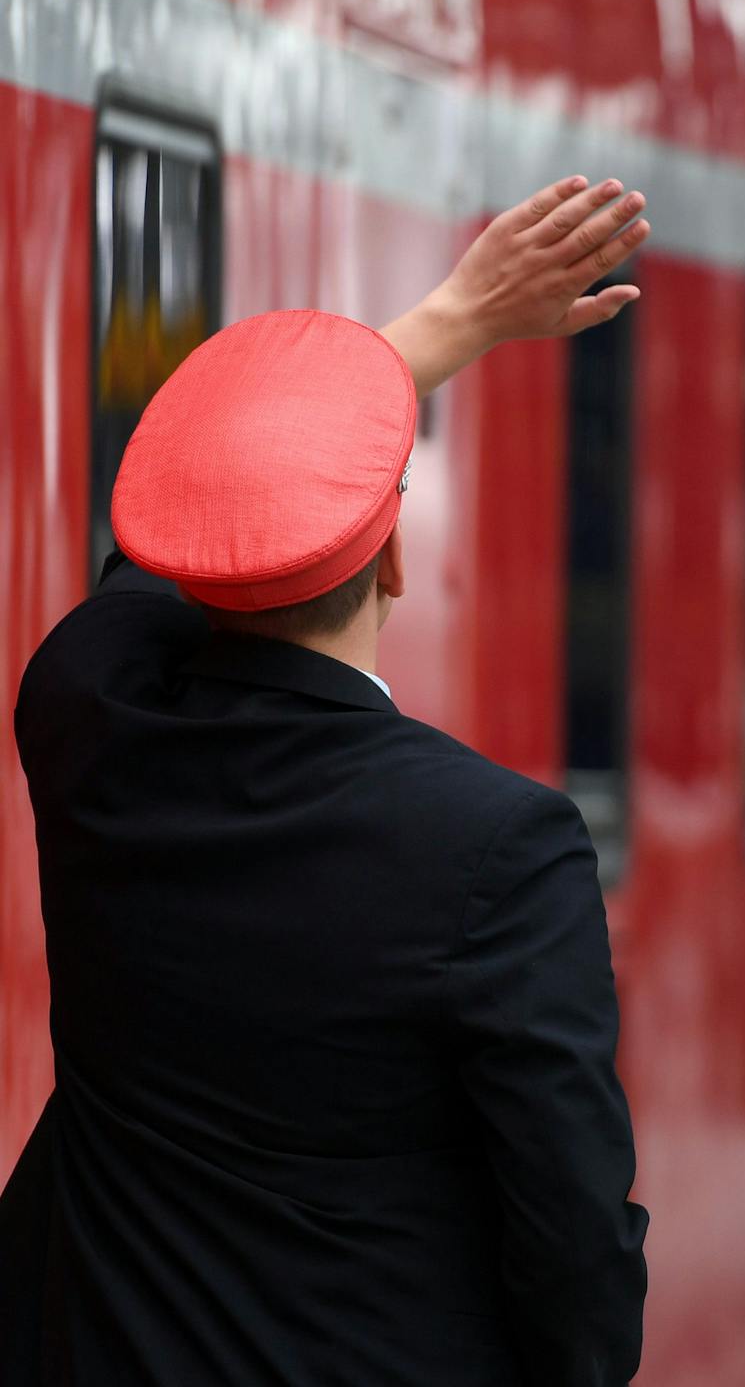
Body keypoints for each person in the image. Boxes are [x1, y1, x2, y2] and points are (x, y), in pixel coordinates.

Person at [0, 175, 652, 1386]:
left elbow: (161, 558)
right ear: (394, 554)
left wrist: (448, 321)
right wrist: (468, 317)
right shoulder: (499, 848)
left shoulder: (88, 717)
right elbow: (577, 1259)